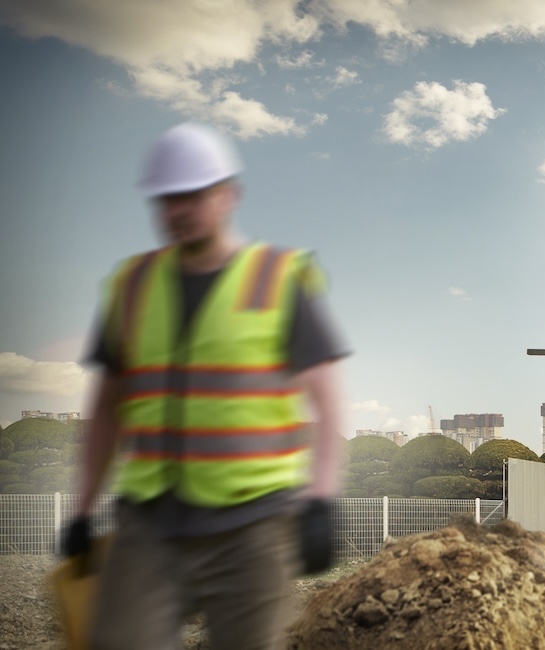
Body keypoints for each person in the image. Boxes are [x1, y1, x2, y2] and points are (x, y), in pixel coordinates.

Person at [59, 122, 349, 649]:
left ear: (227, 196)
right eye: (167, 198)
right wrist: (82, 508)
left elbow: (326, 402)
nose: (177, 210)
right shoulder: (130, 286)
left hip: (254, 524)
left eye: (191, 196)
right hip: (149, 523)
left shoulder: (278, 278)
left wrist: (321, 500)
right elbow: (105, 409)